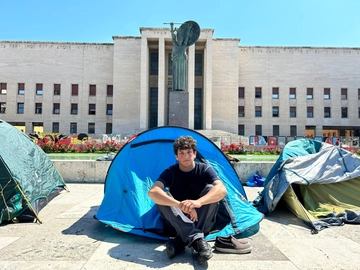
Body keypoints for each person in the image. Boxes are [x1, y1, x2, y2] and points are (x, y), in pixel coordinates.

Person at [148, 135, 227, 264]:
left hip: (201, 220)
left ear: (194, 154)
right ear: (176, 156)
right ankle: (197, 241)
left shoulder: (204, 169)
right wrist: (180, 205)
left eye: (189, 152)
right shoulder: (171, 172)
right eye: (182, 153)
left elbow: (222, 190)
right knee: (163, 195)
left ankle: (180, 241)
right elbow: (153, 192)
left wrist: (197, 203)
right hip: (176, 221)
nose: (186, 156)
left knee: (210, 189)